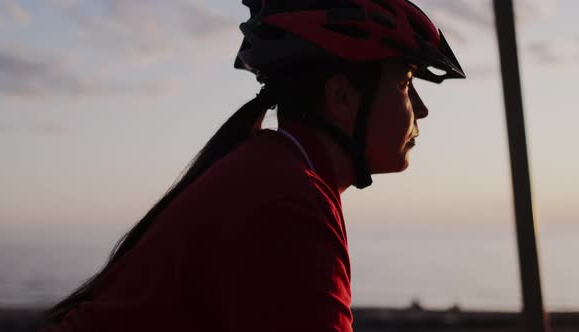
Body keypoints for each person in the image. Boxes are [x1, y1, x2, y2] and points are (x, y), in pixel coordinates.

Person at [40, 0, 465, 331]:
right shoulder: (285, 203)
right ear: (341, 97)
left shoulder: (274, 171)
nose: (422, 110)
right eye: (407, 84)